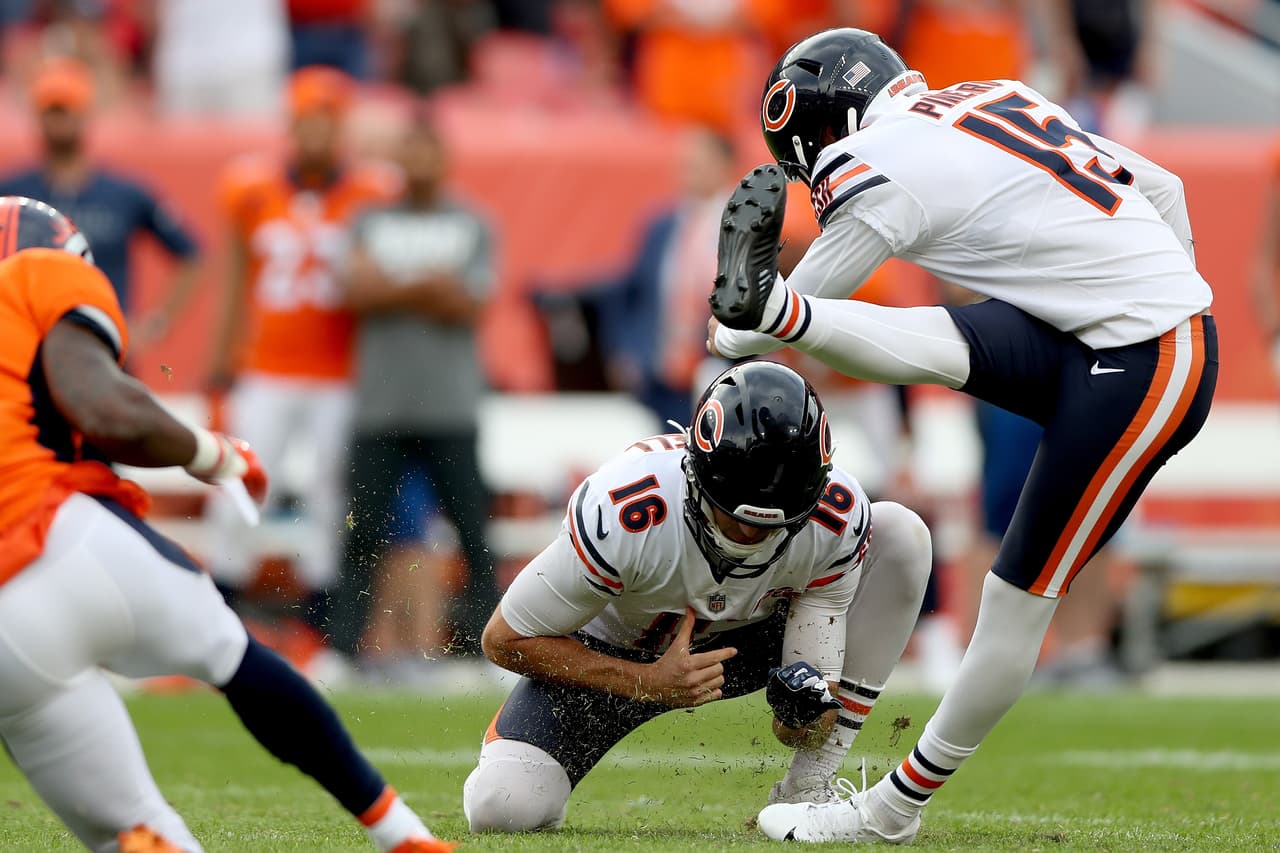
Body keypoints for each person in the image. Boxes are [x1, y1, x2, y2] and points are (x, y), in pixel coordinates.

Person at [707, 28, 1215, 842]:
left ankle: (893, 809)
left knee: (1013, 602)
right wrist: (1172, 288)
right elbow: (1168, 186)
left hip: (1143, 357)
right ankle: (769, 308)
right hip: (1121, 332)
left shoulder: (871, 164)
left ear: (816, 133)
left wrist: (737, 331)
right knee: (940, 342)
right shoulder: (996, 94)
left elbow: (783, 324)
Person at [0, 196, 453, 853]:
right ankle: (401, 832)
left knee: (142, 833)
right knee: (232, 655)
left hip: (9, 656)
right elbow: (105, 408)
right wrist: (216, 454)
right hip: (58, 541)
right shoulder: (37, 272)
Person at [462, 360, 934, 833]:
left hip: (743, 645)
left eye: (775, 524)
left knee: (899, 534)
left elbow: (801, 726)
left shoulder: (833, 517)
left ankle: (810, 788)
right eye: (737, 518)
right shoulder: (629, 509)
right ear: (698, 478)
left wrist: (802, 711)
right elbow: (503, 638)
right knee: (500, 807)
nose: (752, 535)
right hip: (602, 657)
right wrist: (645, 680)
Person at [205, 66, 400, 622]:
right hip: (266, 368)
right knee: (239, 483)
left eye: (325, 122)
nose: (314, 135)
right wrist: (219, 368)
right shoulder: (250, 188)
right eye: (305, 122)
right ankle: (224, 598)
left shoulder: (374, 191)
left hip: (339, 371)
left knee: (330, 492)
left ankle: (323, 611)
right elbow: (234, 285)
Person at [333, 117, 498, 661]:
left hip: (450, 403)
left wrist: (392, 285)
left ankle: (487, 650)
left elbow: (468, 302)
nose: (420, 164)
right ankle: (344, 646)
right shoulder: (367, 219)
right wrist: (430, 283)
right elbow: (354, 290)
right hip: (381, 405)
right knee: (360, 532)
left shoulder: (473, 220)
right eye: (412, 151)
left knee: (473, 534)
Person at [0, 57, 201, 346]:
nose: (58, 121)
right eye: (50, 111)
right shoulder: (12, 191)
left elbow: (191, 255)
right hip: (29, 350)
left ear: (85, 114)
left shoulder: (125, 193)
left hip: (104, 352)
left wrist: (155, 325)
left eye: (65, 110)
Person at [594, 126, 739, 427]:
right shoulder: (661, 225)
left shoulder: (742, 225)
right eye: (686, 164)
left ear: (724, 165)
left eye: (699, 163)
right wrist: (626, 349)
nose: (689, 173)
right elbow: (634, 290)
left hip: (721, 369)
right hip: (662, 373)